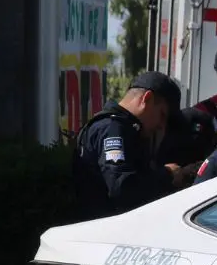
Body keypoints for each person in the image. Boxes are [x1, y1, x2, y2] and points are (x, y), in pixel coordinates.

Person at [70, 71, 194, 221]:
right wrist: (167, 175)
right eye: (162, 115)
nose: (161, 126)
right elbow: (122, 189)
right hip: (102, 233)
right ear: (146, 99)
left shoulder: (125, 129)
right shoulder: (113, 129)